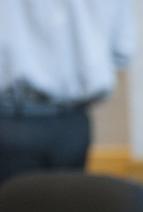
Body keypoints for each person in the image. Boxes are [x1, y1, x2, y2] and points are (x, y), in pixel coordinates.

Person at [0, 0, 134, 183]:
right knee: (64, 206)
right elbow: (122, 50)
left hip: (13, 121)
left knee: (15, 208)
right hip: (71, 123)